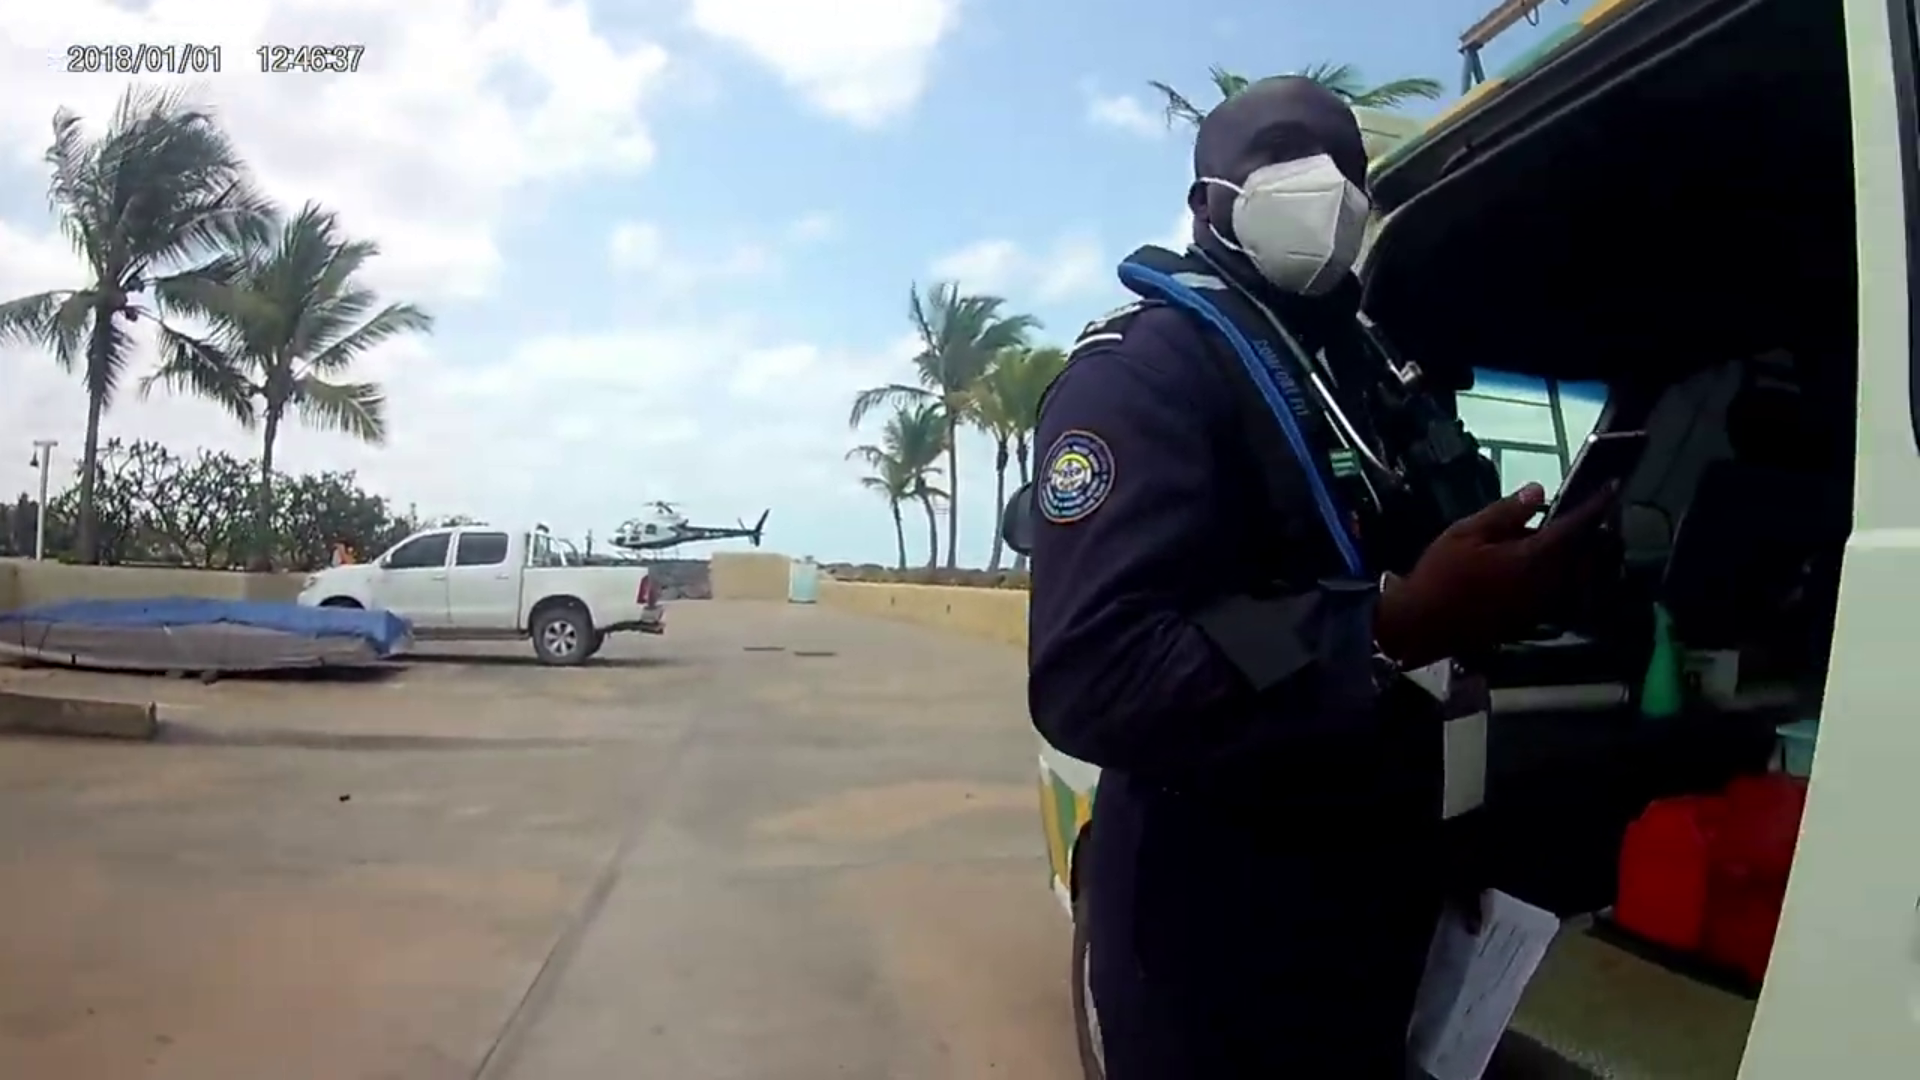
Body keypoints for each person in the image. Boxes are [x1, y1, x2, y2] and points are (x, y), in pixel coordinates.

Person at [1025, 77, 1614, 1078]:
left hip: (1377, 892)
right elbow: (1094, 671)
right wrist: (1382, 626)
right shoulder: (1143, 375)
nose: (1328, 189)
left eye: (1348, 167)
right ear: (1207, 200)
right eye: (1286, 159)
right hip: (1211, 928)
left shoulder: (1369, 371)